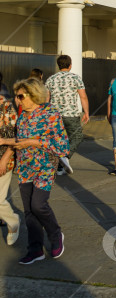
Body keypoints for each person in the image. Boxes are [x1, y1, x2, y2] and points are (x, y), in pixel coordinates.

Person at [0, 78, 69, 264]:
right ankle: (35, 249)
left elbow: (63, 146)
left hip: (45, 167)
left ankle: (56, 235)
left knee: (38, 205)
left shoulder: (50, 113)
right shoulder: (22, 117)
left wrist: (35, 142)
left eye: (21, 96)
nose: (17, 99)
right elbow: (18, 141)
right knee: (29, 211)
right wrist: (6, 151)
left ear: (33, 95)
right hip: (25, 168)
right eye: (16, 96)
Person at [45, 55, 89, 176]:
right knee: (77, 136)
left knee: (58, 139)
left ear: (58, 65)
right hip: (71, 114)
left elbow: (46, 98)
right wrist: (86, 112)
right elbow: (83, 96)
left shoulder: (50, 79)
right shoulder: (76, 78)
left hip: (54, 115)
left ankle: (59, 167)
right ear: (70, 65)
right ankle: (64, 156)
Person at [0, 93, 20, 246]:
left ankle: (13, 223)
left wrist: (6, 157)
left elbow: (15, 135)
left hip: (2, 158)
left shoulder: (5, 106)